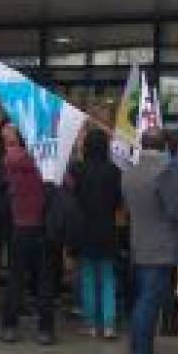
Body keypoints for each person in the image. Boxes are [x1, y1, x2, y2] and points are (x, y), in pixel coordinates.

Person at [122, 129, 178, 354]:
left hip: (139, 242)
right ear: (165, 147)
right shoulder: (167, 173)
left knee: (141, 299)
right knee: (150, 301)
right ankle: (143, 352)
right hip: (162, 246)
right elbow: (176, 209)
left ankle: (135, 347)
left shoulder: (129, 173)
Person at [0, 129, 53, 345]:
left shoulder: (10, 163)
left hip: (19, 225)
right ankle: (45, 330)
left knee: (15, 279)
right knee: (44, 280)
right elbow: (66, 183)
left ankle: (9, 327)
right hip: (42, 226)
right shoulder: (46, 163)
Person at [70, 127, 123, 339]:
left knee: (88, 275)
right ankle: (109, 324)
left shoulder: (78, 170)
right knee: (108, 276)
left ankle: (90, 323)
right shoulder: (115, 171)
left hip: (84, 228)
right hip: (108, 228)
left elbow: (73, 197)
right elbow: (118, 202)